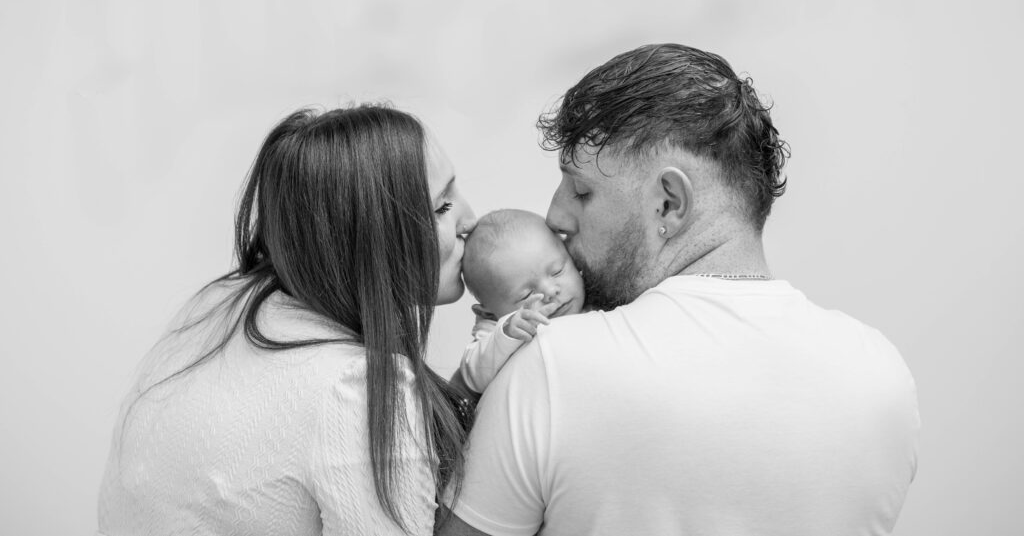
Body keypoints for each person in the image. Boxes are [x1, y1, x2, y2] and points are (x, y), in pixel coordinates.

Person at [439, 44, 920, 536]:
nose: (556, 218)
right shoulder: (884, 379)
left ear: (669, 203)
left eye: (582, 191)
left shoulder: (549, 367)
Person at [98, 105, 477, 536]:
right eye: (443, 205)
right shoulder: (358, 388)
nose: (471, 219)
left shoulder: (221, 304)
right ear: (369, 234)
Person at [456, 209, 584, 393]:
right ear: (488, 313)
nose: (550, 292)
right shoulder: (495, 331)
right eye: (526, 295)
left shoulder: (596, 294)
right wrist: (506, 334)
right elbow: (473, 376)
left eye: (557, 271)